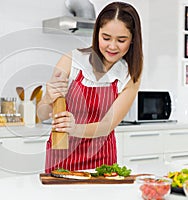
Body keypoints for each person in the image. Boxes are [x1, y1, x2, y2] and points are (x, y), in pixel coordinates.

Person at [37, 2, 143, 173]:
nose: (112, 46)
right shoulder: (72, 60)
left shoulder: (129, 74)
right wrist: (47, 99)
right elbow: (41, 114)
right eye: (106, 38)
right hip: (62, 154)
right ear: (97, 34)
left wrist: (75, 128)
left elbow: (107, 125)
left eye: (121, 40)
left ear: (132, 40)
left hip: (102, 158)